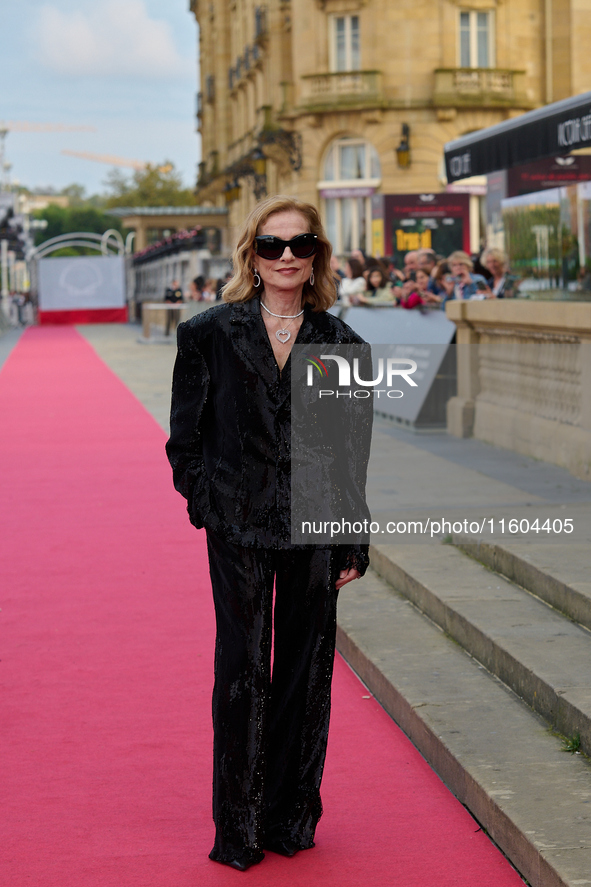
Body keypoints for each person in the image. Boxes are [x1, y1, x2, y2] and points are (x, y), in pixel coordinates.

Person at [165, 195, 371, 872]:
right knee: (242, 669)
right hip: (238, 522)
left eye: (299, 243)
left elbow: (348, 455)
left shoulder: (343, 343)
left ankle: (288, 815)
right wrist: (207, 503)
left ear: (317, 255)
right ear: (250, 255)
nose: (285, 257)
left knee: (304, 674)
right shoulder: (207, 333)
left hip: (315, 523)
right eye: (271, 245)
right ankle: (240, 824)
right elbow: (184, 440)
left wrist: (352, 538)